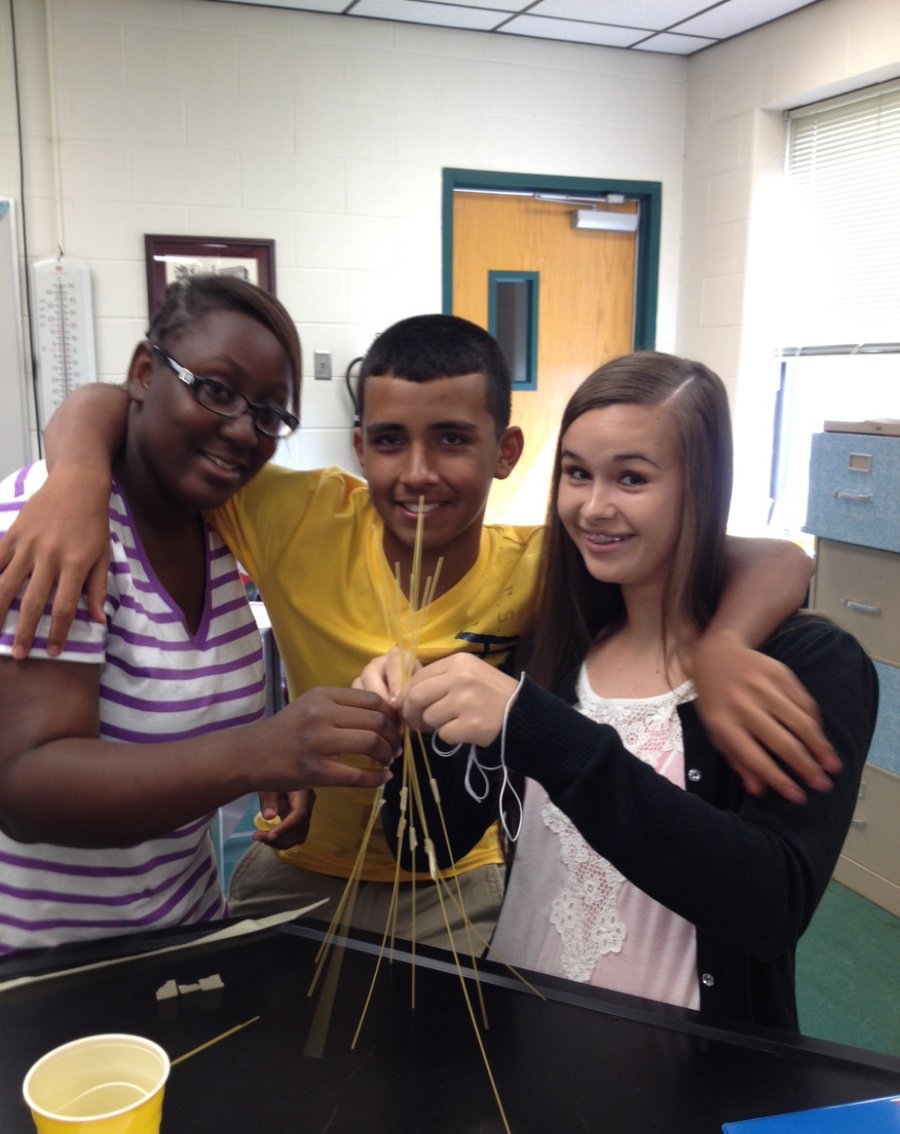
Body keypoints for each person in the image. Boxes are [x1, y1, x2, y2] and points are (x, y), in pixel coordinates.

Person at [0, 318, 834, 951]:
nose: (420, 473)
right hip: (292, 873)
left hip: (458, 890)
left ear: (506, 451)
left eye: (453, 441)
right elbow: (127, 403)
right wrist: (74, 472)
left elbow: (770, 557)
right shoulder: (293, 513)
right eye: (390, 442)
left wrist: (723, 643)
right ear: (359, 445)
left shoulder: (542, 568)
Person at [369, 351, 877, 1031]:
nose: (594, 507)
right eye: (577, 474)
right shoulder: (553, 644)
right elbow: (420, 849)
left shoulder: (807, 664)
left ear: (700, 487)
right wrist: (421, 719)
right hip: (520, 1041)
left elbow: (770, 905)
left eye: (631, 478)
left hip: (685, 1076)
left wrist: (542, 731)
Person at [0, 275, 400, 955]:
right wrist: (255, 752)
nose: (243, 430)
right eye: (216, 390)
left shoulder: (219, 523)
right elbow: (22, 786)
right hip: (49, 970)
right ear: (146, 372)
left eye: (270, 414)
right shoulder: (55, 525)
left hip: (181, 937)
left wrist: (280, 763)